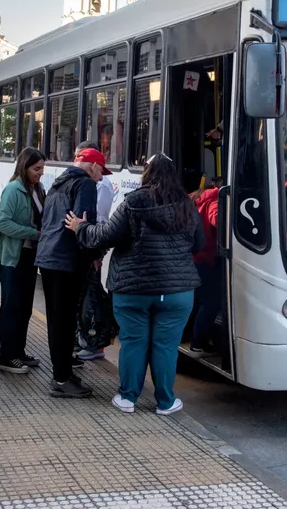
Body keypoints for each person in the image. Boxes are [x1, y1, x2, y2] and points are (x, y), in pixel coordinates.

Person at [65, 153, 204, 415]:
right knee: (165, 346)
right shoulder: (187, 205)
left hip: (133, 290)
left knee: (133, 342)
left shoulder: (134, 202)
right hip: (176, 291)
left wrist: (80, 227)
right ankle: (165, 401)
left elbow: (105, 236)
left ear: (147, 174)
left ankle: (127, 398)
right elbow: (198, 244)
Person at [35, 148, 108, 398]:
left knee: (57, 320)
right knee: (65, 322)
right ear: (92, 166)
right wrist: (94, 257)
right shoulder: (85, 184)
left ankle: (62, 373)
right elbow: (82, 225)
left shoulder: (58, 183)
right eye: (101, 171)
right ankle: (62, 378)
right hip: (67, 261)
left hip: (48, 257)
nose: (101, 178)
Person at [0, 148, 46, 374]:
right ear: (24, 167)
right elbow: (2, 222)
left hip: (28, 257)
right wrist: (32, 233)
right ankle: (7, 356)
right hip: (12, 258)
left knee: (24, 308)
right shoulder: (13, 190)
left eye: (42, 168)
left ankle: (19, 351)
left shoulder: (38, 189)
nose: (41, 173)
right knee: (11, 307)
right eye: (37, 169)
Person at [73, 141, 113, 362]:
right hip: (88, 242)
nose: (75, 161)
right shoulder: (84, 183)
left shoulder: (100, 185)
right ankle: (85, 338)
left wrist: (95, 252)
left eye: (80, 157)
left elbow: (98, 219)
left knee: (92, 296)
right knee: (86, 295)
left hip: (94, 244)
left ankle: (94, 340)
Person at [190, 183, 221, 357]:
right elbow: (216, 219)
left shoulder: (193, 198)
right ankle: (197, 343)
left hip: (192, 257)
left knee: (197, 300)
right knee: (211, 302)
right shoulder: (215, 200)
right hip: (205, 259)